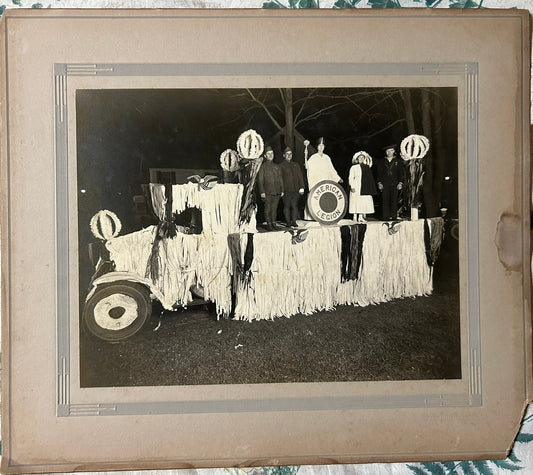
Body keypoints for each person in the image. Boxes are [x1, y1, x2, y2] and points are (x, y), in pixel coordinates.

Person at [257, 145, 284, 231]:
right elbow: (260, 180)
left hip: (277, 191)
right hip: (267, 192)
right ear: (265, 156)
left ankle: (273, 223)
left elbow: (281, 179)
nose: (270, 155)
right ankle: (269, 224)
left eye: (272, 153)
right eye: (268, 154)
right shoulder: (262, 167)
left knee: (274, 209)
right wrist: (262, 192)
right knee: (268, 208)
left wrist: (282, 190)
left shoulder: (277, 166)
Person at [376, 144, 405, 220]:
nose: (389, 152)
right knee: (385, 200)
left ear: (394, 151)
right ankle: (385, 216)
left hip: (395, 184)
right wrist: (379, 183)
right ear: (385, 152)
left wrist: (400, 183)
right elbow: (379, 173)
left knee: (394, 200)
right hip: (384, 184)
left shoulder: (398, 161)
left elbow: (401, 173)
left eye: (391, 150)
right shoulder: (382, 161)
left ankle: (394, 216)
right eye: (387, 151)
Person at [279, 146, 305, 227]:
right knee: (286, 206)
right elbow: (280, 179)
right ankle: (288, 222)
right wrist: (281, 190)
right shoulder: (281, 166)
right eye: (287, 154)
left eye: (290, 154)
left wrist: (302, 187)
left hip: (295, 189)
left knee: (294, 206)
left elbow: (300, 176)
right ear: (284, 155)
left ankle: (293, 221)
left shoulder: (296, 165)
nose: (289, 155)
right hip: (286, 190)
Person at [349, 151, 377, 223]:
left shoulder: (366, 167)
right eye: (359, 158)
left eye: (362, 157)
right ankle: (354, 217)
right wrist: (352, 186)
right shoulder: (354, 167)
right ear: (357, 159)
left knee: (362, 201)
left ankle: (360, 217)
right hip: (356, 185)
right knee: (355, 201)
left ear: (364, 159)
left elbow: (369, 178)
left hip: (364, 187)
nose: (361, 159)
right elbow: (351, 177)